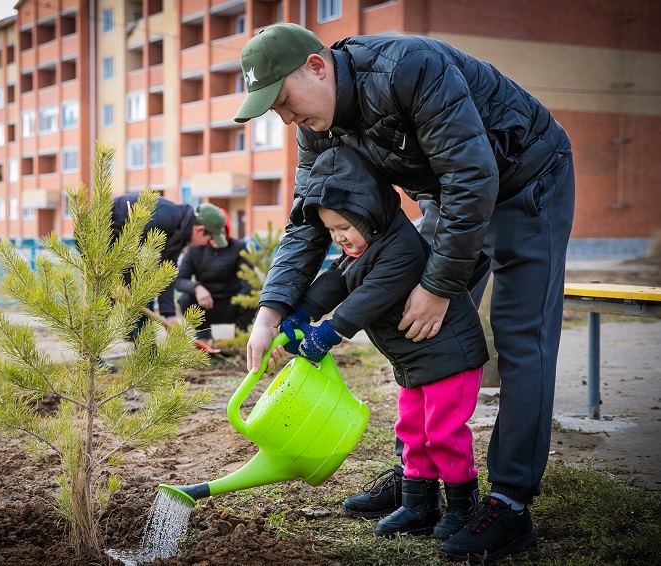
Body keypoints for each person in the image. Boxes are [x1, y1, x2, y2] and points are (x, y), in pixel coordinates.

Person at [237, 23, 575, 562]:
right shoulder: (317, 124)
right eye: (273, 112)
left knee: (521, 336)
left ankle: (510, 504)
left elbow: (473, 173)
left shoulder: (408, 68)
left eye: (283, 101)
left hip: (524, 179)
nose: (286, 119)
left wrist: (438, 286)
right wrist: (272, 309)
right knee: (415, 328)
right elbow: (308, 219)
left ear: (317, 67)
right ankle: (418, 479)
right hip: (451, 193)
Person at [287, 146, 488, 539]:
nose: (339, 237)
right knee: (412, 429)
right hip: (416, 362)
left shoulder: (401, 248)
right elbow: (339, 278)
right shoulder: (364, 246)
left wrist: (325, 335)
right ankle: (419, 505)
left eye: (345, 226)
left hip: (451, 358)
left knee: (443, 434)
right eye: (331, 230)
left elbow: (368, 298)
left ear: (371, 212)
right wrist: (302, 311)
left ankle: (464, 506)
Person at [111, 194, 228, 334]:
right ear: (200, 230)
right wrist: (118, 281)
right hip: (99, 237)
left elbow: (166, 275)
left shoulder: (179, 236)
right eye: (208, 240)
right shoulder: (166, 215)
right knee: (132, 295)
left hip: (122, 252)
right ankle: (94, 351)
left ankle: (142, 348)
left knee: (141, 294)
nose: (206, 245)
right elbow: (134, 249)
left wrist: (170, 315)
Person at [175, 209, 257, 345]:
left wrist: (242, 295)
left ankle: (240, 337)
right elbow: (180, 280)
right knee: (185, 299)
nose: (215, 238)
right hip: (206, 303)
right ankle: (203, 336)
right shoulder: (194, 250)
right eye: (212, 234)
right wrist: (196, 287)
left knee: (251, 296)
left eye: (221, 233)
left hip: (232, 303)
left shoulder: (239, 247)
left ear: (227, 231)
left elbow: (249, 280)